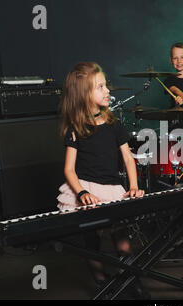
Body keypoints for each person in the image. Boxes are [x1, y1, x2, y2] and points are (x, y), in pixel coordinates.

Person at [56, 62, 144, 288]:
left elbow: (127, 158)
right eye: (100, 86)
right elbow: (68, 169)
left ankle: (131, 281)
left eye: (106, 85)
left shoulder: (113, 124)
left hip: (111, 188)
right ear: (84, 94)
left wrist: (133, 185)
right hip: (86, 188)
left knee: (123, 243)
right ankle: (102, 284)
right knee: (91, 242)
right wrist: (82, 192)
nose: (107, 90)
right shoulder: (76, 127)